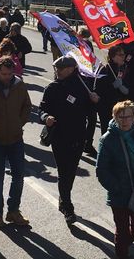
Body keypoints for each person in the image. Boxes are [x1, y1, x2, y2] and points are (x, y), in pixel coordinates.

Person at [39, 56, 99, 225]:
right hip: (59, 136)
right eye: (57, 68)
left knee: (70, 171)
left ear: (72, 69)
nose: (58, 70)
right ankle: (67, 205)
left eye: (62, 67)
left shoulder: (83, 87)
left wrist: (94, 101)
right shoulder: (52, 88)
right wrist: (46, 117)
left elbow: (90, 113)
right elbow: (42, 109)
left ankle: (64, 197)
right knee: (64, 171)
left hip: (78, 136)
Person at [96, 100, 134, 259]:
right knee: (122, 230)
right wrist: (116, 188)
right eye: (120, 117)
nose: (125, 120)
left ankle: (121, 246)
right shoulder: (107, 140)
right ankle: (122, 253)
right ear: (114, 117)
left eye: (128, 116)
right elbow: (101, 171)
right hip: (119, 194)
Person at [0, 56, 32, 229]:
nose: (7, 77)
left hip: (16, 138)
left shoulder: (18, 85)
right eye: (4, 74)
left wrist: (19, 122)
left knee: (18, 176)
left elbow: (27, 106)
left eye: (10, 74)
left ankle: (13, 211)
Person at [97, 45, 132, 135]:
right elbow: (101, 89)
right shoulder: (105, 69)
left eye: (123, 54)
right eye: (120, 55)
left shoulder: (124, 67)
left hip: (120, 105)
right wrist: (113, 86)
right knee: (107, 131)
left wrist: (124, 88)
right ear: (113, 57)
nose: (123, 57)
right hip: (107, 107)